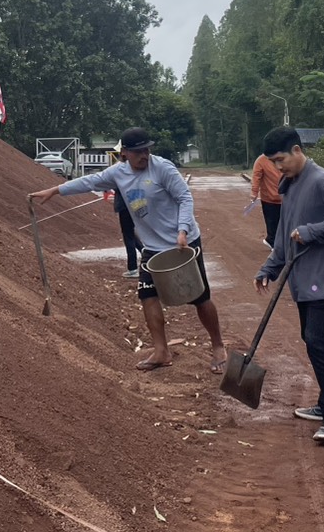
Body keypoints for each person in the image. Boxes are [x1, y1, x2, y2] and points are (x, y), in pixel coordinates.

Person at [30, 126, 227, 373]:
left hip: (183, 242)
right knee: (147, 295)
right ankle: (161, 351)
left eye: (146, 150)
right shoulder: (118, 173)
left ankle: (218, 346)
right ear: (125, 153)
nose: (144, 155)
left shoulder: (163, 168)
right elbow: (89, 181)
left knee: (199, 296)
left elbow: (185, 198)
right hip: (153, 248)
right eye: (137, 152)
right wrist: (56, 190)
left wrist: (183, 230)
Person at [255, 126, 324, 445]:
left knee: (318, 341)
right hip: (303, 278)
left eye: (281, 160)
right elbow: (283, 234)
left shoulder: (322, 181)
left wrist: (313, 231)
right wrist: (269, 268)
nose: (278, 167)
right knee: (311, 339)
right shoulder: (288, 183)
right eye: (273, 163)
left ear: (297, 150)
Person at [109, 143, 142, 279]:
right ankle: (146, 253)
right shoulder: (132, 168)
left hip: (125, 206)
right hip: (134, 204)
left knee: (128, 236)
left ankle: (133, 268)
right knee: (131, 235)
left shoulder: (121, 169)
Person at [250, 151, 283, 249]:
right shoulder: (261, 160)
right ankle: (272, 242)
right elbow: (256, 177)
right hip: (269, 198)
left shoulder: (283, 157)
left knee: (283, 222)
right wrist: (254, 192)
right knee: (272, 222)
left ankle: (275, 242)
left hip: (284, 197)